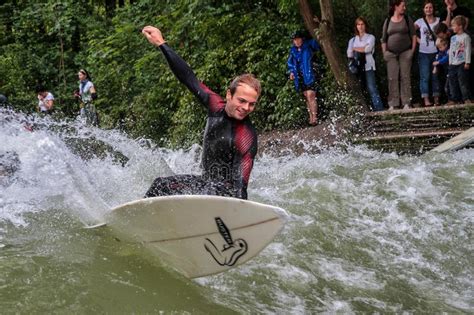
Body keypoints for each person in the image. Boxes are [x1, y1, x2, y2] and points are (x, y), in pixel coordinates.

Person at [141, 26, 261, 200]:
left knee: (209, 189)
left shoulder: (245, 135)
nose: (246, 108)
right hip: (205, 183)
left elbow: (241, 184)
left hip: (225, 194)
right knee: (160, 185)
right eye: (242, 101)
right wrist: (161, 43)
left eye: (252, 104)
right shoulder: (215, 105)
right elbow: (188, 77)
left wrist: (238, 213)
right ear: (229, 95)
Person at [381, 0, 417, 110]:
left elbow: (414, 36)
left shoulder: (407, 19)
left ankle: (406, 102)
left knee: (405, 77)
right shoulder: (387, 21)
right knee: (392, 78)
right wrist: (384, 53)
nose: (404, 8)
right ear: (396, 6)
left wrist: (412, 51)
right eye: (402, 6)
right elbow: (383, 39)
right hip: (391, 54)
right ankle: (393, 103)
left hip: (405, 52)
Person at [347, 17, 384, 111]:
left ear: (365, 25)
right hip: (357, 68)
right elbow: (349, 53)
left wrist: (356, 49)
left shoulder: (370, 37)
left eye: (362, 24)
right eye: (358, 24)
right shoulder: (352, 40)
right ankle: (364, 110)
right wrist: (362, 48)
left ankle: (379, 109)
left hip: (368, 65)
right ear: (356, 26)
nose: (360, 26)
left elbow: (368, 49)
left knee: (372, 88)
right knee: (359, 89)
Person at [287, 30, 321, 125]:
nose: (296, 41)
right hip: (300, 75)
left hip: (310, 73)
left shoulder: (309, 45)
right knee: (306, 95)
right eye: (295, 40)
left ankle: (315, 117)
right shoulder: (293, 50)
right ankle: (310, 118)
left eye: (298, 39)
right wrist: (291, 72)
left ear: (302, 39)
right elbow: (290, 63)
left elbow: (317, 44)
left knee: (311, 94)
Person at [415, 1, 440, 107]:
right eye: (426, 7)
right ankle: (426, 99)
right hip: (423, 52)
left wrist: (448, 11)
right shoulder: (420, 21)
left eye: (430, 7)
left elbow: (447, 28)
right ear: (423, 9)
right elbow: (410, 31)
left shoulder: (438, 20)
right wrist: (418, 40)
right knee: (425, 76)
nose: (428, 9)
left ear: (433, 9)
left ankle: (436, 98)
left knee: (435, 76)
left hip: (436, 52)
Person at [446, 15, 472, 104]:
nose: (452, 27)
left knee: (463, 81)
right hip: (453, 63)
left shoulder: (466, 37)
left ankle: (466, 98)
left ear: (460, 26)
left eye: (454, 25)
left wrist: (467, 62)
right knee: (452, 81)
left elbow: (468, 49)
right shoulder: (453, 38)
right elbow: (451, 51)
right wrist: (450, 62)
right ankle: (454, 99)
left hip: (462, 63)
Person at [432, 37, 450, 104]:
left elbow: (446, 58)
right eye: (438, 47)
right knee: (445, 86)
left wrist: (439, 62)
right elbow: (436, 60)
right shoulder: (440, 52)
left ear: (445, 45)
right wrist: (435, 67)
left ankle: (453, 99)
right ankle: (449, 99)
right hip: (446, 72)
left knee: (448, 86)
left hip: (451, 70)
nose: (439, 49)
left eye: (440, 47)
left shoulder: (448, 50)